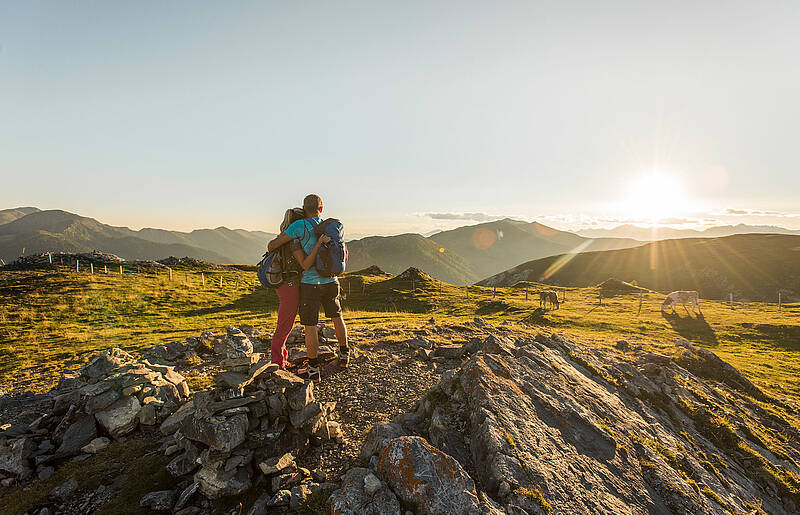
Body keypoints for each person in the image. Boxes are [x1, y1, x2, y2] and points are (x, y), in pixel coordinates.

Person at [267, 194, 348, 381]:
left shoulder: (299, 226)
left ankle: (313, 368)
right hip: (332, 281)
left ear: (304, 209)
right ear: (322, 208)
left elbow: (272, 246)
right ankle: (344, 355)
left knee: (310, 325)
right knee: (337, 317)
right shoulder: (332, 226)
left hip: (310, 284)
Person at [266, 209, 330, 370]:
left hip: (288, 284)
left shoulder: (287, 237)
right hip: (289, 284)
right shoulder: (293, 239)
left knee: (287, 322)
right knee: (285, 324)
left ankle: (282, 358)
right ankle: (277, 362)